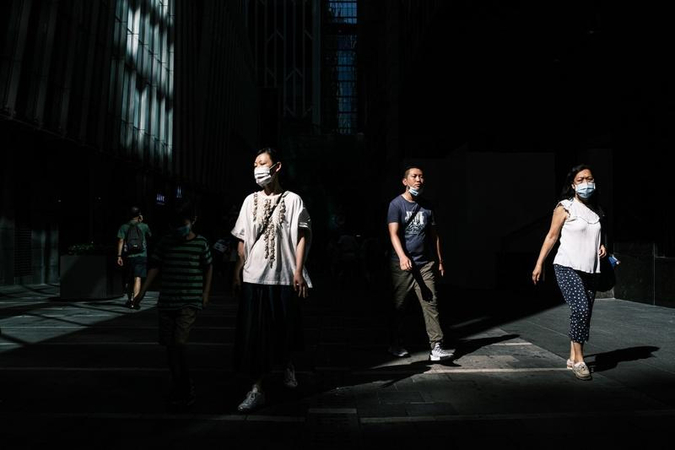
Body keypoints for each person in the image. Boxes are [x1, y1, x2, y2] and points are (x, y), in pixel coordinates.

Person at [231, 147, 312, 413]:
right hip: (254, 278)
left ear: (276, 167)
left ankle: (287, 364)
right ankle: (256, 389)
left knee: (284, 329)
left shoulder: (293, 200)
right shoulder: (249, 200)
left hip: (283, 277)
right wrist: (238, 270)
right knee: (255, 336)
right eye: (255, 164)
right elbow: (242, 239)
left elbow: (302, 236)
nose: (257, 169)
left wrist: (298, 271)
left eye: (262, 163)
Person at [133, 200, 213, 407]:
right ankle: (178, 383)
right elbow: (155, 266)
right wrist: (142, 292)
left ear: (193, 221)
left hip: (189, 301)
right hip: (167, 301)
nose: (179, 228)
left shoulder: (201, 243)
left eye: (183, 224)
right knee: (170, 346)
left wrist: (205, 293)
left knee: (179, 343)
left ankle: (185, 386)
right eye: (176, 224)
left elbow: (208, 267)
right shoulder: (166, 242)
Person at [532, 164, 607, 381]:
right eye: (580, 180)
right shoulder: (565, 207)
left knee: (585, 314)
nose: (586, 183)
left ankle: (572, 356)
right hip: (567, 266)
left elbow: (594, 234)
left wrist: (602, 246)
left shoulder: (596, 210)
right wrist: (539, 263)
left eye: (589, 179)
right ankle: (579, 360)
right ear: (573, 185)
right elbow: (551, 236)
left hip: (591, 269)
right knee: (581, 309)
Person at [387, 166, 454, 362]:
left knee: (431, 303)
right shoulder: (396, 205)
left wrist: (439, 260)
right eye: (414, 176)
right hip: (401, 265)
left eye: (421, 176)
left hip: (424, 264)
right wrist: (402, 256)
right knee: (400, 306)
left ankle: (436, 347)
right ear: (405, 181)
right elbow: (393, 234)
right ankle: (396, 343)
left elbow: (434, 236)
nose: (418, 180)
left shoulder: (427, 206)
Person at [116, 206, 152, 308]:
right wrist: (141, 222)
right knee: (137, 278)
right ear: (139, 215)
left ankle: (130, 299)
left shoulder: (124, 227)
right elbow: (150, 236)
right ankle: (135, 302)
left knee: (129, 278)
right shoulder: (144, 226)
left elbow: (121, 241)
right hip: (141, 255)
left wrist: (119, 256)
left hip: (129, 256)